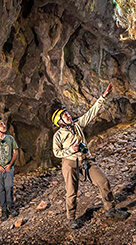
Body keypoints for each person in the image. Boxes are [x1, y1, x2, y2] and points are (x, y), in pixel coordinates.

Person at [52, 83, 129, 229]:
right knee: (71, 191)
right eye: (64, 116)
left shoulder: (77, 125)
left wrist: (103, 97)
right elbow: (56, 152)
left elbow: (91, 113)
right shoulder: (58, 136)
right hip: (70, 163)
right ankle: (71, 218)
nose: (68, 115)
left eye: (67, 113)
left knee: (103, 181)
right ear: (60, 122)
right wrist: (70, 149)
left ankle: (110, 210)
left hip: (86, 159)